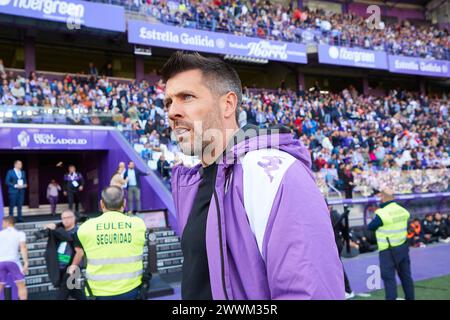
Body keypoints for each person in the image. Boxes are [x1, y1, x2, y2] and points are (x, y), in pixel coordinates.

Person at [162, 51, 344, 300]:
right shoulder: (195, 183)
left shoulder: (275, 173)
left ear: (228, 104)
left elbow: (311, 293)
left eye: (187, 97)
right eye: (168, 102)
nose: (172, 112)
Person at [69, 186, 147, 300]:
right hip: (132, 291)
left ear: (101, 204)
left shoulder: (85, 228)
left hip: (97, 293)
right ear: (124, 203)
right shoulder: (138, 224)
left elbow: (80, 250)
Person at [368, 188, 414, 300]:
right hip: (403, 247)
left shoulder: (381, 213)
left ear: (383, 198)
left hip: (387, 251)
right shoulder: (403, 210)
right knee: (406, 277)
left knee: (389, 279)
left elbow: (371, 227)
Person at [41, 210, 85, 300]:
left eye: (68, 217)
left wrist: (73, 266)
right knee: (74, 291)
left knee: (62, 294)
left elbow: (80, 252)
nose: (65, 220)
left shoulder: (77, 232)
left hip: (72, 267)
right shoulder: (59, 231)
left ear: (74, 219)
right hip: (61, 266)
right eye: (63, 218)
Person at [329, 203, 354, 299]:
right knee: (336, 267)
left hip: (335, 243)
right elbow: (344, 229)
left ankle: (347, 290)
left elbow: (344, 229)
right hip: (337, 243)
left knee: (337, 267)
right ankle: (345, 290)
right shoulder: (335, 215)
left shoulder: (333, 215)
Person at [0, 217, 29, 300]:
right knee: (21, 285)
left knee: (0, 284)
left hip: (0, 262)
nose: (2, 224)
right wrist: (26, 262)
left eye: (3, 222)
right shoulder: (20, 233)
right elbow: (23, 247)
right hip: (13, 262)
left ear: (7, 222)